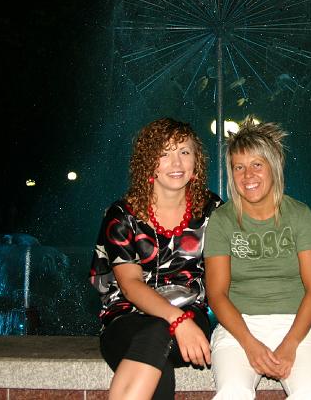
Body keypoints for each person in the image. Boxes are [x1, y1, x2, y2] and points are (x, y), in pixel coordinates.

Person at [90, 118, 222, 400]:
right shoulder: (122, 215)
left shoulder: (212, 210)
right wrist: (177, 321)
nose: (177, 163)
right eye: (164, 153)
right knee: (157, 349)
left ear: (196, 160)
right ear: (148, 161)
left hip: (191, 313)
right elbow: (130, 285)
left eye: (184, 152)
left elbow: (224, 277)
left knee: (156, 333)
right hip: (126, 318)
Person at [204, 116, 311, 399]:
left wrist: (290, 343)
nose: (248, 175)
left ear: (274, 166)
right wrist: (249, 343)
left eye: (257, 165)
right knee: (233, 392)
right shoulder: (222, 220)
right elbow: (217, 295)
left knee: (309, 393)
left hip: (297, 325)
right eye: (239, 167)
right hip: (238, 329)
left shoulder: (300, 215)